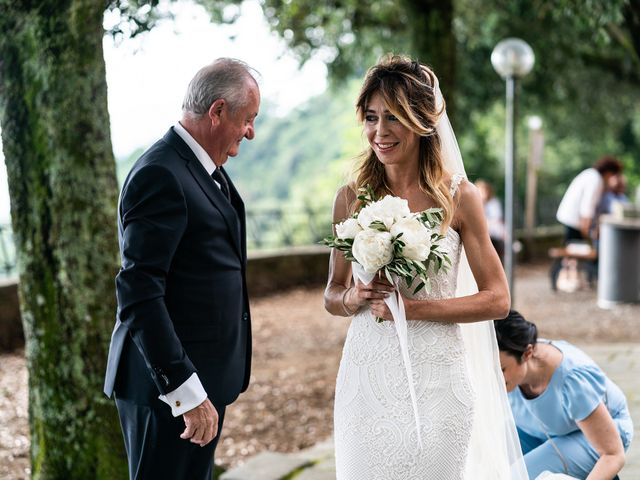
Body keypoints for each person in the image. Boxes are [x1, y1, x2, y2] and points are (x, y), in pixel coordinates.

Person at [324, 55, 526, 479]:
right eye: (372, 117)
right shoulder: (351, 197)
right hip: (368, 376)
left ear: (421, 121)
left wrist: (412, 308)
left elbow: (498, 299)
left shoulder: (457, 197)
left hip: (439, 377)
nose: (380, 132)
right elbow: (331, 294)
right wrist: (353, 297)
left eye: (394, 118)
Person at [103, 58, 259, 479]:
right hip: (167, 391)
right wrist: (184, 392)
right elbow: (139, 292)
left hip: (201, 381)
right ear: (218, 111)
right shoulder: (160, 173)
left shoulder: (204, 169)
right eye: (247, 119)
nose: (251, 132)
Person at [495, 310, 633, 480]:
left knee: (514, 477)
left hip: (601, 437)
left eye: (501, 370)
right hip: (545, 431)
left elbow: (613, 455)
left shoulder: (572, 380)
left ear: (527, 353)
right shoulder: (506, 368)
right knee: (484, 464)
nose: (495, 379)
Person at [556, 156, 623, 244]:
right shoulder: (596, 179)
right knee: (575, 250)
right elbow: (587, 208)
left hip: (571, 219)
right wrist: (586, 233)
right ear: (609, 173)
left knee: (572, 249)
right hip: (574, 221)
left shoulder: (591, 174)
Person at [475, 179, 505, 260]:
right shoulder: (475, 203)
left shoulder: (493, 203)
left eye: (484, 191)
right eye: (481, 191)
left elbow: (496, 219)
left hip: (493, 233)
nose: (483, 194)